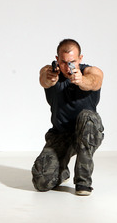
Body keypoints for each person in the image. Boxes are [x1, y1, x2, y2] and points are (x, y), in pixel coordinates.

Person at [32, 39, 104, 196]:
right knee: (41, 180)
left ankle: (83, 182)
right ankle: (61, 171)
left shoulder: (91, 71)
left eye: (72, 62)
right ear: (57, 59)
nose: (67, 66)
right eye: (63, 62)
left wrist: (81, 80)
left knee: (87, 117)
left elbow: (95, 82)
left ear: (80, 59)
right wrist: (50, 78)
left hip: (86, 131)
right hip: (61, 134)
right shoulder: (50, 72)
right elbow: (44, 79)